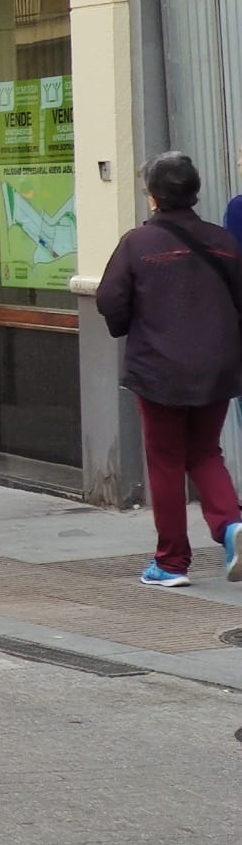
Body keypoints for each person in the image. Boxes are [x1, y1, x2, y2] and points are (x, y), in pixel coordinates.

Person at [97, 151, 242, 587]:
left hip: (159, 369)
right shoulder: (224, 241)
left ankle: (172, 563)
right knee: (205, 451)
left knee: (165, 460)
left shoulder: (137, 244)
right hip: (217, 367)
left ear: (153, 197)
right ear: (194, 192)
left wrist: (128, 326)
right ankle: (232, 526)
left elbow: (109, 300)